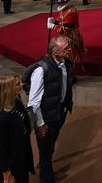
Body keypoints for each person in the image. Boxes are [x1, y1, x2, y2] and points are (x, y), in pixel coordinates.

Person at [28, 36, 73, 183]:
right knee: (46, 149)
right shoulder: (41, 70)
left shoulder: (66, 63)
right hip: (46, 116)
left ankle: (45, 164)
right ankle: (47, 178)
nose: (69, 51)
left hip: (59, 111)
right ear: (55, 52)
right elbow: (34, 101)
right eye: (65, 49)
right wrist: (40, 124)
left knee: (50, 144)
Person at [0, 74, 34, 183]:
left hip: (20, 159)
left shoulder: (16, 103)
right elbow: (0, 150)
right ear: (7, 91)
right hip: (10, 168)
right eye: (18, 84)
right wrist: (7, 176)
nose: (22, 84)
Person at [48, 0, 86, 74]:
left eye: (59, 2)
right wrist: (55, 22)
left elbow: (66, 29)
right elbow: (62, 22)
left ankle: (70, 75)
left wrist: (53, 26)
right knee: (63, 56)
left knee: (69, 57)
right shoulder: (64, 10)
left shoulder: (71, 12)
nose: (58, 4)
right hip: (64, 37)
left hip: (70, 38)